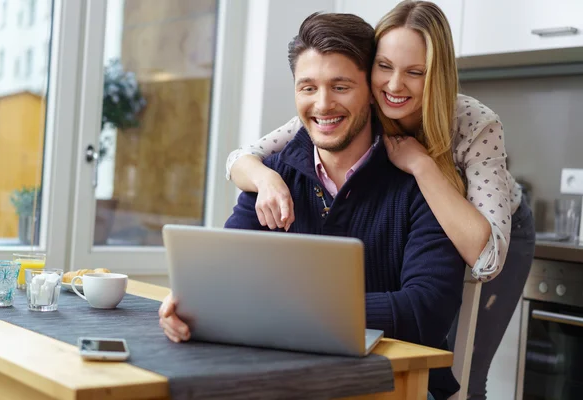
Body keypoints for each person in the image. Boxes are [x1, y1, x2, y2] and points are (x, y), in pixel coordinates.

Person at [224, 1, 535, 400]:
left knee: (468, 370)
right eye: (384, 68)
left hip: (493, 225)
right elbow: (241, 159)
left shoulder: (471, 126)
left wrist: (423, 167)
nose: (393, 86)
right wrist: (264, 179)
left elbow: (483, 260)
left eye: (415, 72)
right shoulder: (321, 119)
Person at [160, 11, 465, 400]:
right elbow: (225, 276)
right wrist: (191, 302)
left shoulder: (422, 183)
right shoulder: (272, 174)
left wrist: (291, 313)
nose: (323, 105)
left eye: (341, 87)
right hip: (283, 381)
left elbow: (426, 311)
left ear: (371, 91)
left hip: (392, 385)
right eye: (308, 88)